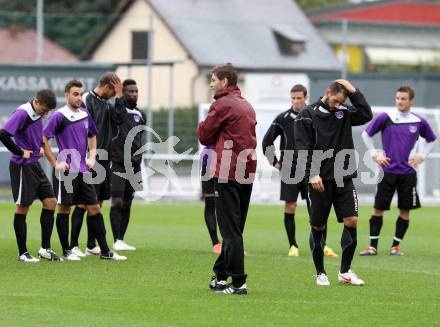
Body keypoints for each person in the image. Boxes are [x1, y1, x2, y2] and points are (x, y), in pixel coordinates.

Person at [294, 79, 372, 286]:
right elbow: (302, 148)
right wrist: (312, 174)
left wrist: (354, 91)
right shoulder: (306, 115)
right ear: (327, 93)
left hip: (343, 177)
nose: (339, 105)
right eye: (337, 100)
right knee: (318, 226)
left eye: (342, 102)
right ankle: (320, 272)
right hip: (318, 181)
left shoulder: (344, 112)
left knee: (352, 220)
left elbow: (366, 114)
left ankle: (345, 271)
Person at [42, 79, 126, 261]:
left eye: (81, 94)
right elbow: (44, 139)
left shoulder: (85, 115)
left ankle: (105, 251)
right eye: (75, 94)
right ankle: (67, 251)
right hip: (66, 171)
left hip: (84, 171)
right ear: (67, 95)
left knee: (94, 207)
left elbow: (93, 135)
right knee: (65, 209)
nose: (79, 98)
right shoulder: (59, 116)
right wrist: (55, 163)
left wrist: (92, 156)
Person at [197, 63, 257, 295]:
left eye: (213, 79)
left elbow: (204, 135)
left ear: (224, 82)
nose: (211, 83)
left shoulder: (221, 104)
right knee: (235, 229)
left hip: (227, 172)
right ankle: (221, 276)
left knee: (230, 232)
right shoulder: (247, 105)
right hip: (246, 171)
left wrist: (202, 125)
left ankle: (239, 282)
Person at [360, 86, 437, 256]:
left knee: (405, 210)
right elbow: (366, 134)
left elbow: (432, 139)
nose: (400, 102)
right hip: (387, 172)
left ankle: (395, 247)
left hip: (408, 174)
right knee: (378, 209)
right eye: (398, 98)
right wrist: (375, 155)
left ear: (411, 101)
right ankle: (372, 246)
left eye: (403, 99)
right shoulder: (385, 117)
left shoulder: (419, 121)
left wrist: (422, 156)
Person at [262, 84, 337, 258]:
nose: (296, 101)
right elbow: (267, 141)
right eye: (293, 98)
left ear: (305, 98)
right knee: (290, 205)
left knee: (317, 207)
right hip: (289, 168)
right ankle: (293, 245)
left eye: (299, 98)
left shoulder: (313, 115)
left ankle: (322, 245)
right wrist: (275, 162)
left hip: (311, 168)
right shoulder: (283, 118)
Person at [0, 89, 61, 262]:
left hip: (35, 164)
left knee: (50, 202)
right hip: (22, 166)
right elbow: (3, 134)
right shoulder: (22, 113)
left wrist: (39, 146)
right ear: (37, 101)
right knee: (23, 208)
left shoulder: (38, 113)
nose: (46, 113)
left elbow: (35, 133)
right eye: (45, 109)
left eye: (49, 110)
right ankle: (23, 253)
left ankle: (45, 249)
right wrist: (20, 152)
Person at [68, 72, 125, 257]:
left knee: (98, 202)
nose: (115, 94)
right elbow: (80, 128)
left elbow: (120, 119)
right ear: (108, 86)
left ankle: (91, 245)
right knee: (84, 203)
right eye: (115, 90)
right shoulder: (86, 99)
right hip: (88, 159)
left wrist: (118, 98)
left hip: (104, 159)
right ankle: (73, 244)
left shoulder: (107, 104)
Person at [110, 79, 146, 251]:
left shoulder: (140, 114)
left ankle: (121, 239)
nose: (134, 94)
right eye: (130, 91)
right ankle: (115, 240)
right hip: (118, 162)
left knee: (127, 202)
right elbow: (117, 117)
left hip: (134, 164)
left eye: (136, 91)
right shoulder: (119, 110)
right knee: (116, 201)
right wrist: (117, 98)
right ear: (123, 93)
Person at [200, 145, 222, 254]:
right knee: (210, 203)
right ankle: (216, 243)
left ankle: (231, 243)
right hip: (208, 161)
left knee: (229, 205)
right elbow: (203, 135)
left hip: (229, 163)